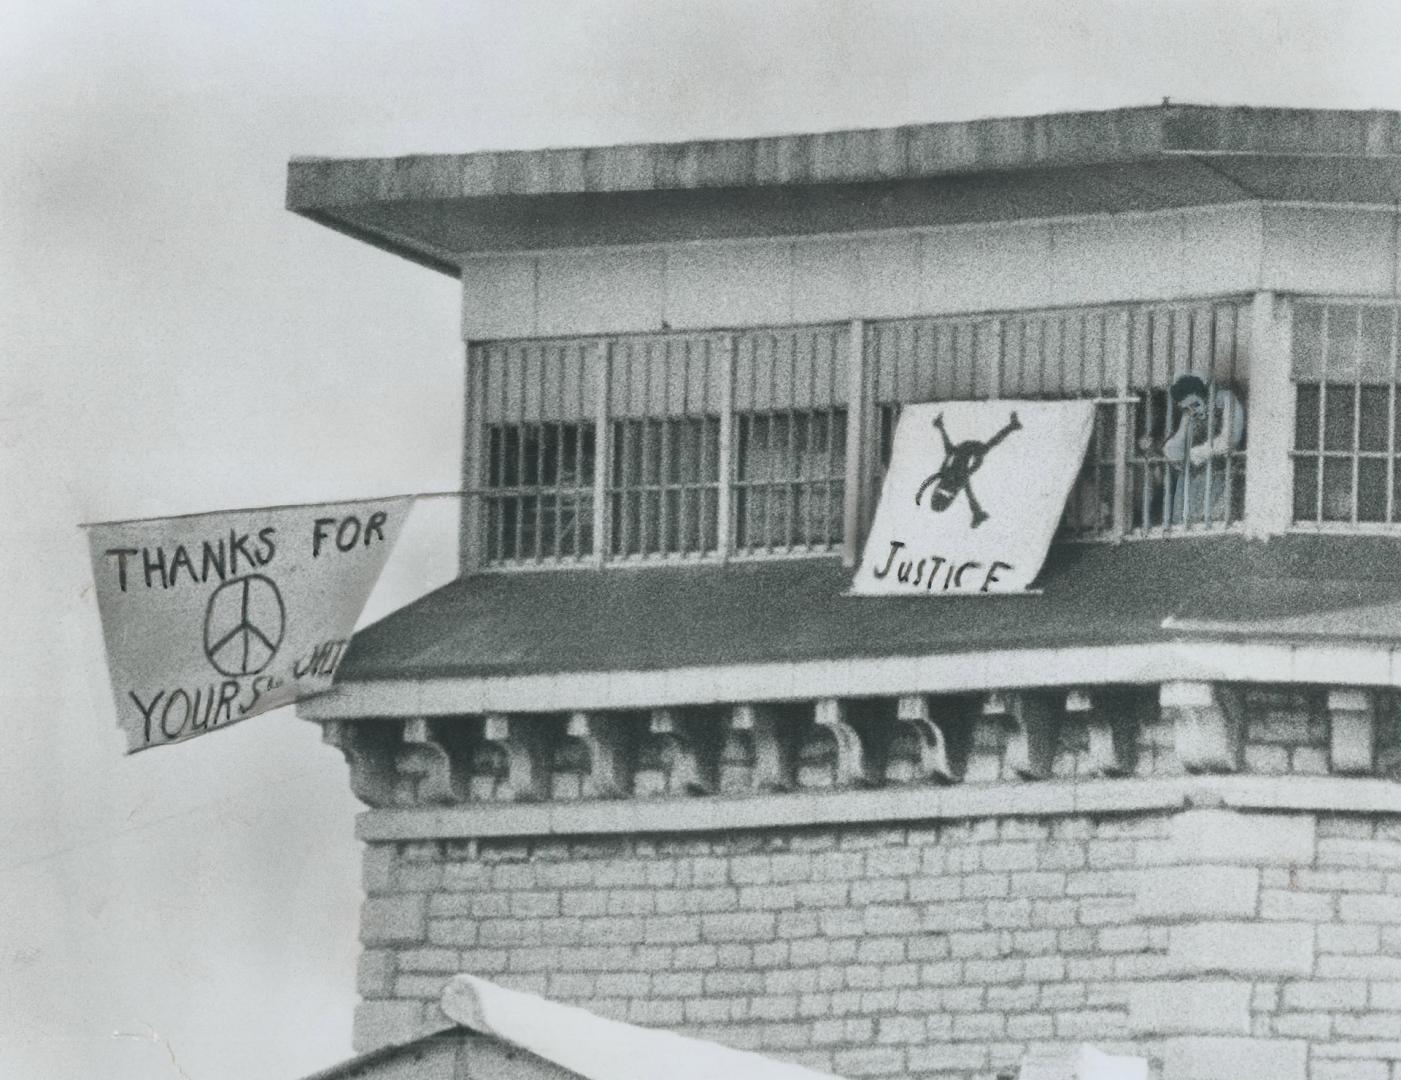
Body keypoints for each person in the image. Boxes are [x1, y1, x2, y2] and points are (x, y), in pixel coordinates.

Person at [1161, 373, 1246, 525]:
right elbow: (1175, 451)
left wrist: (1198, 452)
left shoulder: (1226, 399)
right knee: (1186, 524)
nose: (1193, 411)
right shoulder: (1190, 413)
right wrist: (1185, 424)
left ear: (1205, 395)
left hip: (1225, 474)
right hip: (1196, 480)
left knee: (1216, 522)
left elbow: (1230, 439)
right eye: (1186, 408)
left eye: (1195, 405)